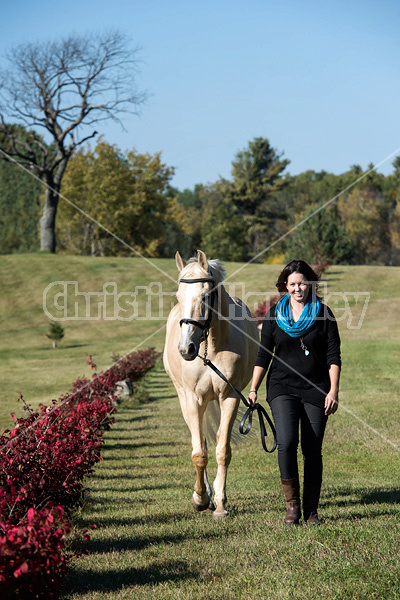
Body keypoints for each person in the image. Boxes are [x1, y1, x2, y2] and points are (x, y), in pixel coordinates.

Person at [248, 260, 341, 526]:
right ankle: (292, 507)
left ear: (309, 284)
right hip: (282, 387)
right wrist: (253, 388)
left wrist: (333, 391)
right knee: (287, 443)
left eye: (301, 283)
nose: (297, 288)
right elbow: (264, 354)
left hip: (317, 388)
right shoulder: (274, 315)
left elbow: (334, 356)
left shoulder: (324, 314)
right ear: (285, 287)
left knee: (312, 449)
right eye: (292, 284)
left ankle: (311, 511)